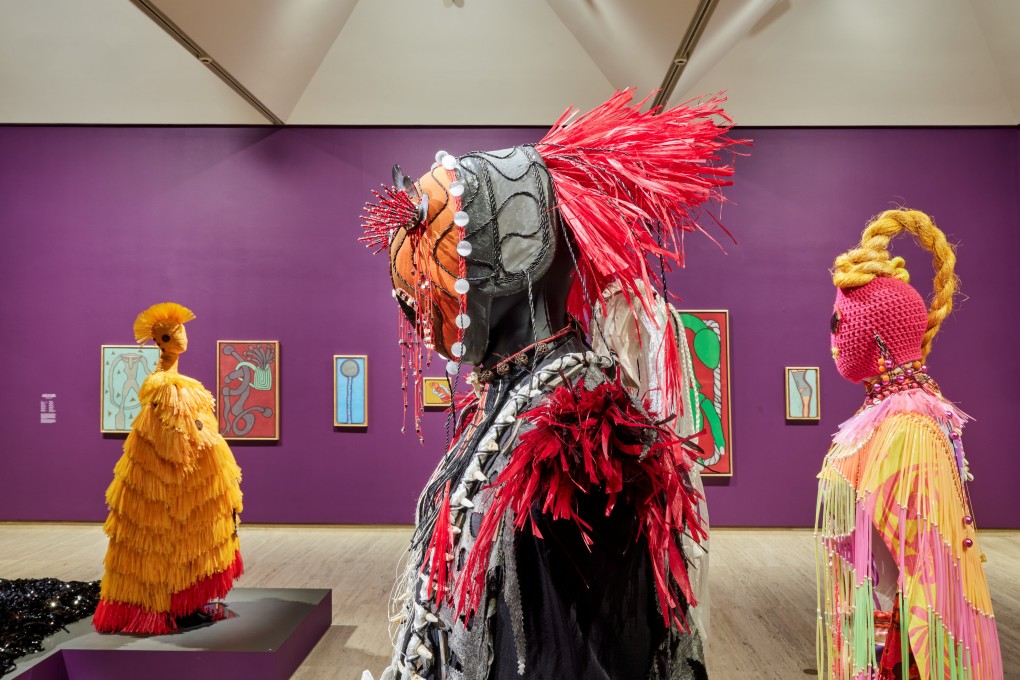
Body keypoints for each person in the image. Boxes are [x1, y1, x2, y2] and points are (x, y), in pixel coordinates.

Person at [360, 89, 739, 679]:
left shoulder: (583, 448)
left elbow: (589, 652)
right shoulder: (509, 404)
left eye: (443, 251)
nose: (420, 293)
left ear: (515, 255)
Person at [816, 210, 1002, 679]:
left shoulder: (909, 432)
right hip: (881, 627)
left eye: (838, 327)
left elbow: (932, 582)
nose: (833, 344)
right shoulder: (888, 421)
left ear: (877, 340)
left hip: (908, 645)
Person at [93, 302, 243, 634]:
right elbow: (168, 437)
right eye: (174, 334)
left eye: (183, 331)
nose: (182, 338)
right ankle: (171, 606)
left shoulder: (176, 383)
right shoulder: (163, 386)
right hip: (169, 478)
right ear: (161, 340)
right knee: (166, 537)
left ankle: (184, 601)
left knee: (187, 536)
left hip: (188, 475)